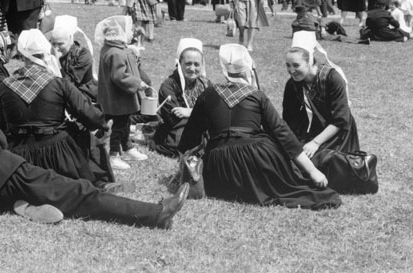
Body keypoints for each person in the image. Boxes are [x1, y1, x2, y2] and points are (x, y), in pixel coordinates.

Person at [0, 71, 189, 228]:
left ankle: (20, 204)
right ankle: (155, 214)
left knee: (45, 192)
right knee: (79, 192)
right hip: (1, 168)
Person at [177, 44, 340, 209]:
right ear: (249, 68)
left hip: (218, 165)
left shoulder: (207, 94)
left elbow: (189, 138)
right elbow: (283, 135)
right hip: (256, 158)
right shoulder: (257, 95)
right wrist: (312, 171)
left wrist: (183, 168)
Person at [0, 30, 116, 191]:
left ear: (23, 57)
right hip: (59, 154)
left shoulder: (4, 87)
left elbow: (1, 126)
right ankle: (99, 181)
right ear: (46, 55)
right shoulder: (58, 83)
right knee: (83, 136)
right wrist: (103, 123)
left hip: (19, 157)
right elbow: (88, 114)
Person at [282, 30, 360, 158]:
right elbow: (289, 118)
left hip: (336, 132)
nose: (291, 70)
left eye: (296, 65)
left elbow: (341, 120)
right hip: (310, 128)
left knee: (319, 161)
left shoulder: (332, 78)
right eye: (288, 65)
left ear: (310, 61)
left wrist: (315, 142)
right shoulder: (292, 84)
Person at [96, 16, 151, 170]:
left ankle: (127, 148)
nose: (132, 31)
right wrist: (137, 83)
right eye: (129, 29)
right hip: (117, 98)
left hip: (121, 97)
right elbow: (119, 76)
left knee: (126, 122)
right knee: (118, 126)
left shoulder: (116, 48)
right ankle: (114, 154)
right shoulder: (115, 53)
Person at [152, 38, 210, 158]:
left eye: (197, 64)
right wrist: (203, 113)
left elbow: (216, 109)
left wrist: (190, 112)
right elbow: (175, 118)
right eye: (188, 64)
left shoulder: (206, 83)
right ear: (180, 64)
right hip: (178, 130)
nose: (192, 68)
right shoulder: (168, 85)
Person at [44, 14, 98, 102]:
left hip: (82, 94)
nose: (56, 48)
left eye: (60, 44)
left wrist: (56, 62)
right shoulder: (49, 54)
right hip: (58, 91)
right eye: (53, 44)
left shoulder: (83, 55)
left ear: (70, 40)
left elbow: (69, 83)